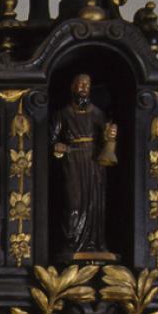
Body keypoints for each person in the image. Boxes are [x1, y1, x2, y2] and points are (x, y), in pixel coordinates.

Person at [51, 72, 118, 253]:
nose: (83, 88)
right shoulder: (63, 114)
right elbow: (51, 140)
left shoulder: (98, 114)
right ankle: (71, 243)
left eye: (87, 85)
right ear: (73, 87)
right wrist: (57, 147)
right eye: (80, 84)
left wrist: (110, 137)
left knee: (95, 204)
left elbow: (107, 143)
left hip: (94, 162)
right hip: (73, 160)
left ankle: (94, 243)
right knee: (74, 202)